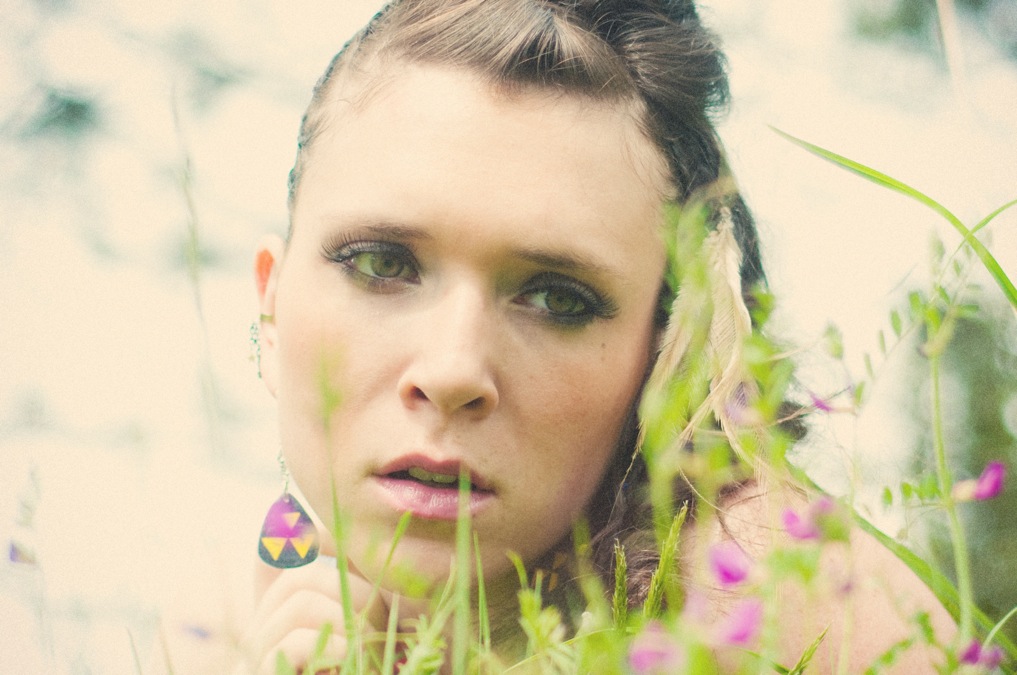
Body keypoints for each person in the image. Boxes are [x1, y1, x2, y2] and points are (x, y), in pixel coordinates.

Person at [153, 0, 956, 672]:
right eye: (381, 263)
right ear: (270, 305)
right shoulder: (221, 629)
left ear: (664, 348)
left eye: (557, 299)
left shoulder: (776, 591)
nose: (452, 369)